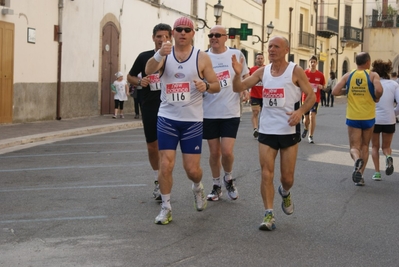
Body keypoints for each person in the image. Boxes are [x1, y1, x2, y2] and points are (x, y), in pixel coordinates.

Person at [231, 36, 315, 231]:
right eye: (269, 47)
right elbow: (238, 87)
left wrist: (300, 112)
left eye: (276, 46)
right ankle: (268, 214)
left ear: (286, 49)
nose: (272, 50)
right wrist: (237, 75)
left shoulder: (295, 71)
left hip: (288, 128)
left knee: (287, 178)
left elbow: (310, 96)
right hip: (267, 128)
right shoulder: (263, 71)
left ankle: (285, 192)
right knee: (266, 173)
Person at [145, 17, 220, 225]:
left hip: (192, 121)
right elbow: (148, 70)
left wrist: (206, 86)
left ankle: (198, 187)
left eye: (187, 29)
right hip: (167, 118)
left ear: (193, 33)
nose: (183, 33)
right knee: (166, 165)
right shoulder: (164, 54)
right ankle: (166, 207)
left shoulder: (201, 57)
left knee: (192, 170)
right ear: (173, 33)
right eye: (179, 29)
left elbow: (216, 85)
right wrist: (159, 53)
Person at [203, 25, 249, 201]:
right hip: (209, 111)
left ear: (225, 37)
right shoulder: (203, 57)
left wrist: (244, 90)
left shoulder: (237, 55)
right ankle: (216, 185)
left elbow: (244, 77)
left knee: (227, 151)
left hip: (230, 111)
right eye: (211, 35)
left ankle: (228, 177)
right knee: (214, 153)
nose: (213, 37)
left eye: (217, 35)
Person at [127, 23, 172, 202]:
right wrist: (139, 82)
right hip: (150, 105)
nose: (162, 40)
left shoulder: (177, 57)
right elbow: (130, 75)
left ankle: (165, 182)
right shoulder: (145, 56)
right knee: (152, 146)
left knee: (166, 148)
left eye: (165, 37)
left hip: (170, 106)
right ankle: (157, 179)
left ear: (171, 38)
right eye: (159, 36)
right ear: (153, 38)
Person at [332, 52, 383, 186]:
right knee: (365, 145)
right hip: (368, 117)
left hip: (353, 116)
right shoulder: (372, 75)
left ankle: (356, 160)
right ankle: (360, 175)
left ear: (356, 62)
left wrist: (347, 91)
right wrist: (376, 97)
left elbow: (335, 91)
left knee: (354, 147)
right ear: (368, 62)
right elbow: (379, 89)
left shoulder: (349, 75)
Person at [370, 60, 399, 180]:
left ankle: (377, 173)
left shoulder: (372, 84)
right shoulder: (394, 85)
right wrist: (394, 113)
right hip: (389, 119)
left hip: (374, 120)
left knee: (375, 147)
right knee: (386, 146)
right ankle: (388, 157)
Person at [301, 55, 325, 144]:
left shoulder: (320, 75)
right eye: (311, 62)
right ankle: (306, 128)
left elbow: (324, 86)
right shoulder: (304, 73)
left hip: (315, 99)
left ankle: (310, 136)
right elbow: (300, 83)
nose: (313, 63)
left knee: (312, 115)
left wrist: (321, 86)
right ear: (309, 63)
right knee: (306, 119)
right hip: (305, 98)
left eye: (314, 62)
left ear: (317, 63)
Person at [249, 53, 265, 138]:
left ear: (264, 60)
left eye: (261, 58)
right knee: (255, 112)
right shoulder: (252, 70)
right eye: (258, 58)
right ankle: (255, 129)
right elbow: (247, 80)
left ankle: (262, 129)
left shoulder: (267, 69)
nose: (260, 60)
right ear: (256, 60)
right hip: (254, 95)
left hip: (265, 95)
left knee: (264, 114)